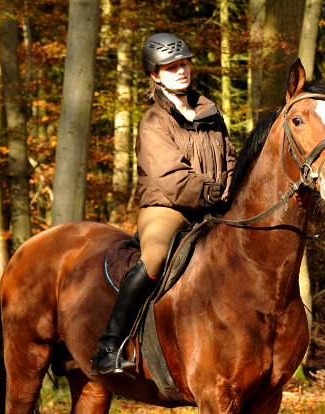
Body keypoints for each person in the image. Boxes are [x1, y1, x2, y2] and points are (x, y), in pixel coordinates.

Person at [91, 33, 237, 376]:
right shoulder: (154, 121)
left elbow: (230, 158)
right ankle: (110, 346)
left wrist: (229, 189)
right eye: (171, 67)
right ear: (156, 75)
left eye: (184, 63)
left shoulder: (211, 112)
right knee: (154, 256)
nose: (181, 71)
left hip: (215, 205)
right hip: (169, 207)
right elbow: (171, 176)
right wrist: (214, 193)